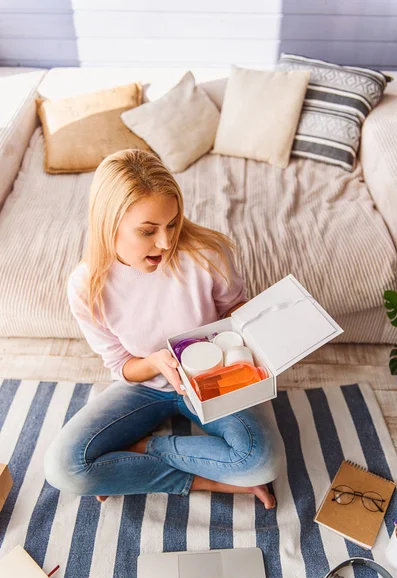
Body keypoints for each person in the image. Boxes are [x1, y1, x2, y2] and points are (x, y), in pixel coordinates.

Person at [44, 149, 283, 510]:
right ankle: (206, 481)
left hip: (216, 377)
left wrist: (264, 328)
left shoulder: (206, 253)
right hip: (147, 387)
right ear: (110, 225)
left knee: (263, 461)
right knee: (64, 468)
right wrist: (157, 363)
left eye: (172, 224)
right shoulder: (87, 286)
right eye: (147, 231)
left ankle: (141, 450)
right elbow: (121, 366)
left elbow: (236, 311)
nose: (166, 243)